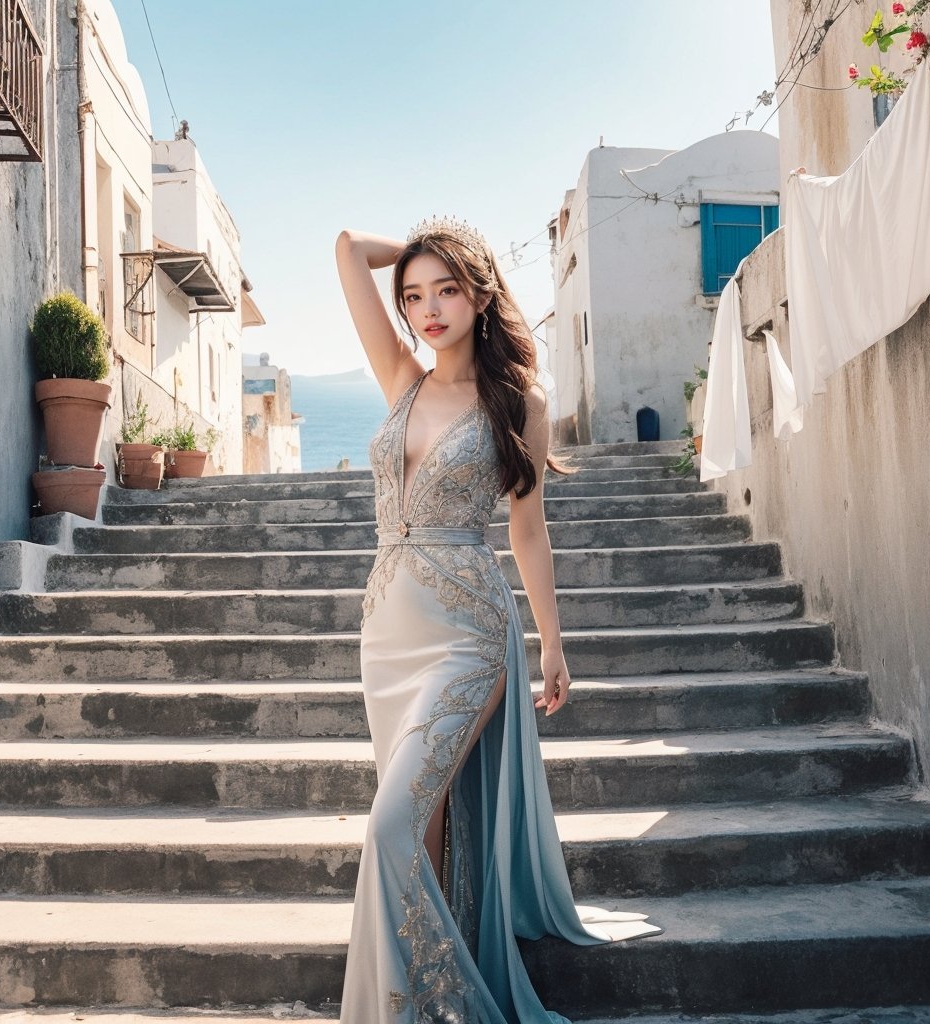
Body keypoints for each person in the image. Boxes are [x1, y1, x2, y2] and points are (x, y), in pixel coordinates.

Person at [332, 217, 659, 1023]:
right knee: (424, 825)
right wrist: (420, 245)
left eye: (447, 289)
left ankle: (439, 1001)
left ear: (480, 294)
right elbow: (345, 249)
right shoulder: (401, 378)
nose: (428, 308)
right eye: (413, 295)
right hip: (388, 629)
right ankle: (422, 1007)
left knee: (390, 826)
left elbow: (527, 529)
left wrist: (552, 642)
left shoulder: (519, 399)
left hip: (468, 632)